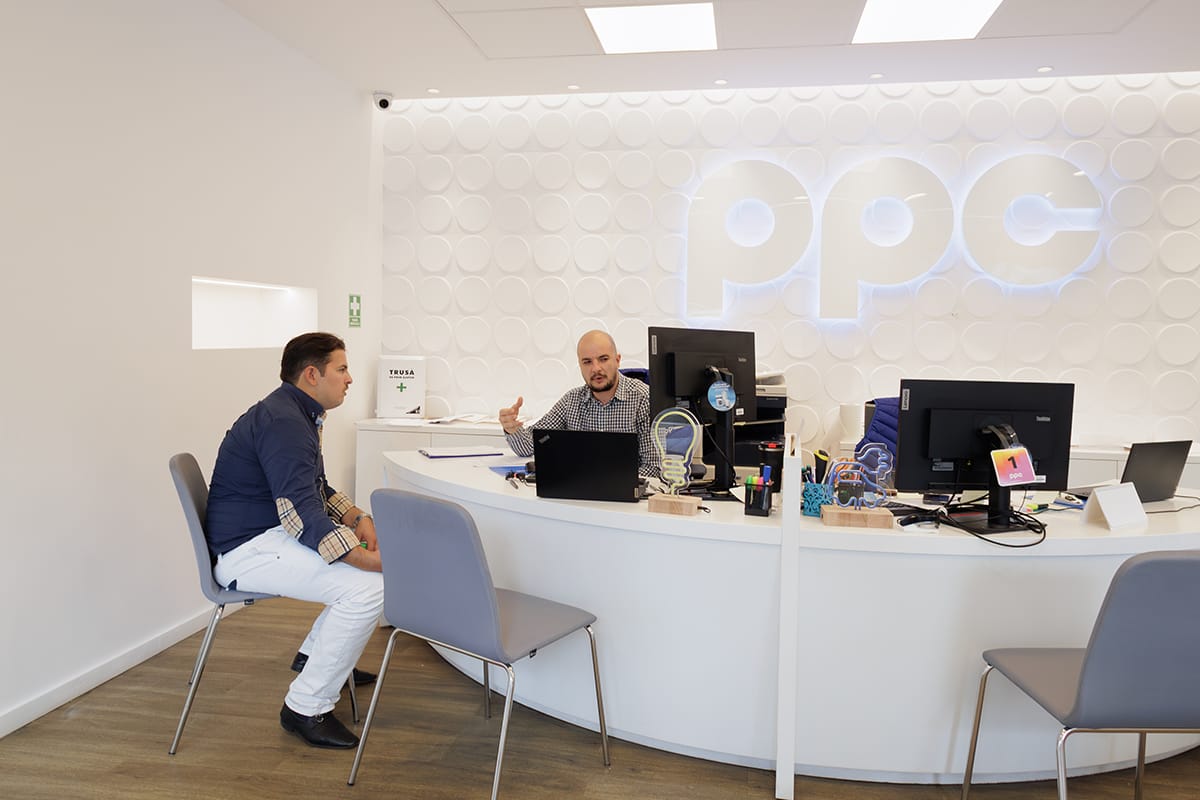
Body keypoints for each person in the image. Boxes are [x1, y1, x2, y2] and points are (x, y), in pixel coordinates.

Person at [205, 332, 385, 750]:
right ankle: (305, 707)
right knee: (370, 588)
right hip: (247, 550)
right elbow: (298, 513)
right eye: (342, 369)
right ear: (312, 375)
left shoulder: (295, 412)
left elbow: (315, 486)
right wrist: (365, 560)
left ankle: (316, 657)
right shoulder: (284, 422)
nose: (350, 378)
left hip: (261, 536)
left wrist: (357, 518)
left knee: (366, 581)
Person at [499, 329, 660, 478]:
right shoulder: (572, 401)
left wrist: (607, 481)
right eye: (587, 362)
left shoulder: (644, 399)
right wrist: (512, 430)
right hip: (579, 492)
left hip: (628, 495)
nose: (596, 368)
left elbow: (654, 468)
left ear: (617, 360)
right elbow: (529, 446)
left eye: (603, 359)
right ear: (580, 366)